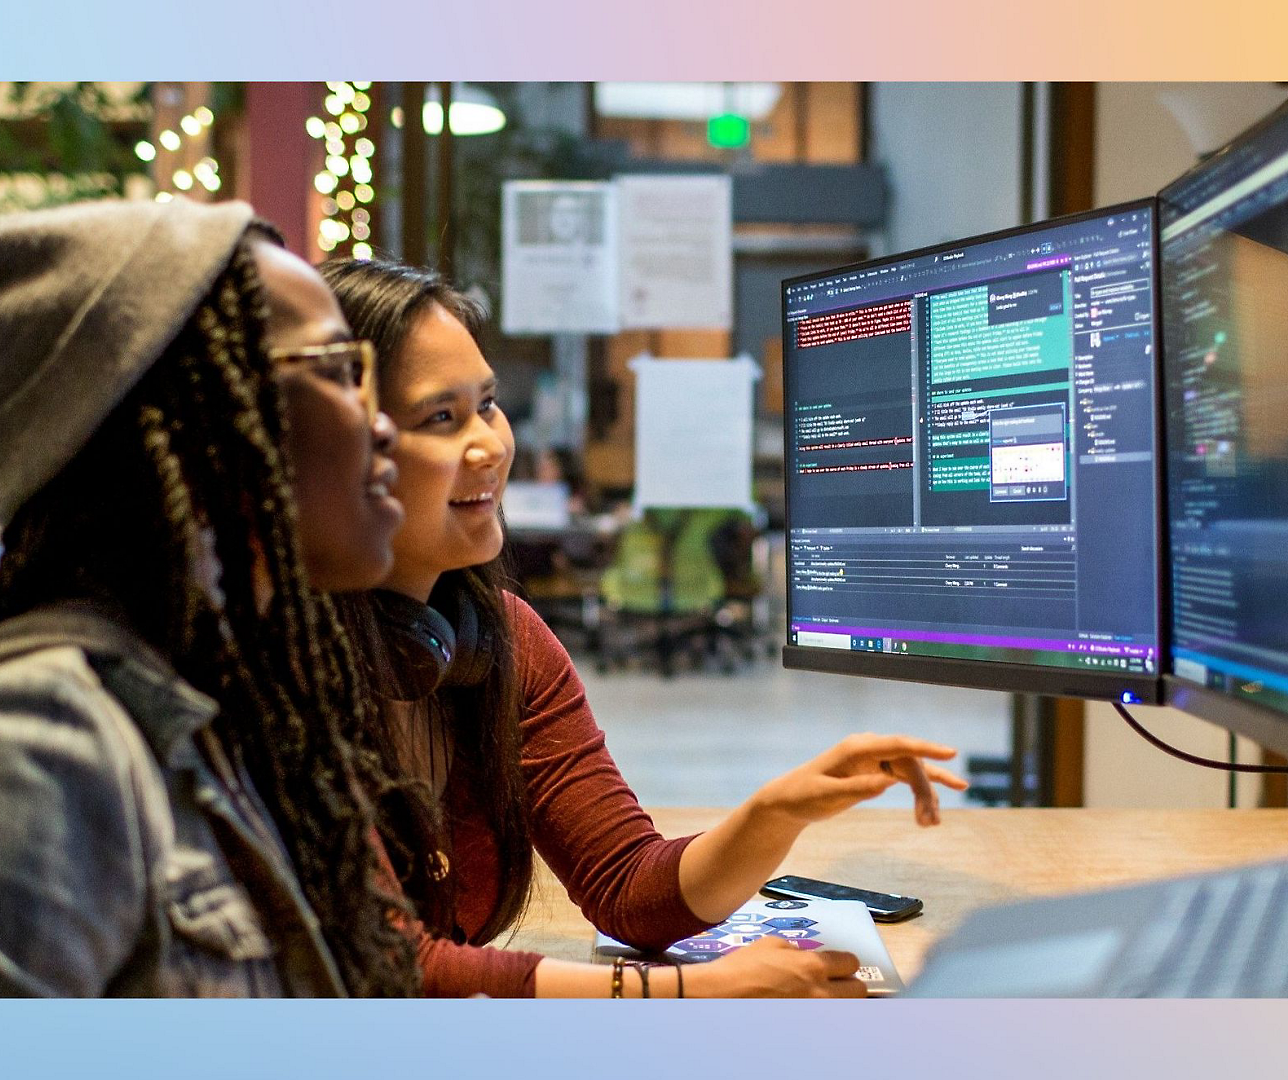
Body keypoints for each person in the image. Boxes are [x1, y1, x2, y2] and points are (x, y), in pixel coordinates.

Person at [321, 256, 968, 998]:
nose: (492, 445)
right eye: (442, 417)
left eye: (489, 404)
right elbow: (384, 964)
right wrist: (685, 995)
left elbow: (628, 889)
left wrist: (776, 811)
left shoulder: (499, 640)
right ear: (335, 452)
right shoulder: (277, 672)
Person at [0, 200, 422, 997]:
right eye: (343, 368)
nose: (383, 427)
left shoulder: (211, 701)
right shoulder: (33, 743)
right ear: (190, 424)